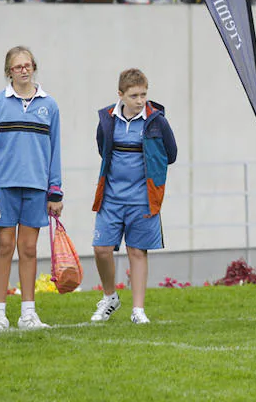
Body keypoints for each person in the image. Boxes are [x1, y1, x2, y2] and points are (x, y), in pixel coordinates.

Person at [0, 46, 63, 331]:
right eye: (18, 67)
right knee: (4, 247)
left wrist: (55, 191)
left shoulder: (49, 105)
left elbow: (55, 151)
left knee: (28, 249)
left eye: (28, 65)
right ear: (9, 71)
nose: (24, 70)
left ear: (34, 67)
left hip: (37, 188)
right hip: (3, 187)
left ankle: (28, 314)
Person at [90, 69, 177, 325]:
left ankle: (138, 310)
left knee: (137, 252)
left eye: (144, 94)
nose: (140, 100)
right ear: (121, 95)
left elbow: (170, 153)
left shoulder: (157, 121)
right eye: (134, 95)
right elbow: (101, 147)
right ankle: (110, 298)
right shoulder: (107, 119)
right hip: (111, 198)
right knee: (101, 249)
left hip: (143, 199)